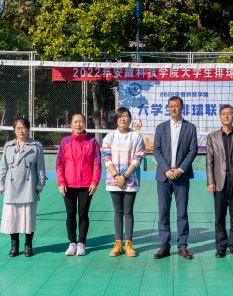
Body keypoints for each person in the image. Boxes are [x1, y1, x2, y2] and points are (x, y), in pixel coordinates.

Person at [153, 96, 198, 259]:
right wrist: (166, 169)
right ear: (168, 108)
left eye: (177, 106)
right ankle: (164, 245)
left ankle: (182, 246)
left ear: (182, 107)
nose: (174, 108)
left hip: (181, 177)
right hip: (164, 177)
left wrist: (180, 169)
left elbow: (193, 150)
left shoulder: (190, 127)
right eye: (171, 106)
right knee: (163, 212)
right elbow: (156, 149)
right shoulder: (161, 127)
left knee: (182, 212)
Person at [0, 117, 46, 257]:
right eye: (18, 128)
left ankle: (28, 245)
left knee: (28, 218)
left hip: (28, 187)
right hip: (11, 188)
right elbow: (3, 167)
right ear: (14, 130)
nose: (21, 130)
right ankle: (14, 245)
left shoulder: (36, 146)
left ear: (28, 129)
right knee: (12, 217)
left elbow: (40, 167)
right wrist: (0, 183)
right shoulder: (8, 146)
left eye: (23, 128)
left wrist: (40, 183)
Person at [206, 104, 233, 258]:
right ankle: (221, 248)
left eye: (229, 113)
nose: (226, 116)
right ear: (220, 116)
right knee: (219, 217)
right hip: (219, 181)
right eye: (223, 113)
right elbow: (209, 161)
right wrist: (210, 181)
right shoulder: (212, 136)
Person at [101, 107, 146, 257]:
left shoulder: (136, 136)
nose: (123, 119)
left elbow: (138, 158)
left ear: (130, 119)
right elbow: (106, 157)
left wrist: (125, 176)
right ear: (116, 119)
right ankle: (118, 244)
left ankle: (129, 244)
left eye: (126, 116)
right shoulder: (109, 136)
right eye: (120, 116)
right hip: (114, 180)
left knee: (128, 212)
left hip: (130, 180)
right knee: (117, 212)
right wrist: (116, 176)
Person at [55, 113, 101, 257]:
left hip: (86, 185)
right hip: (68, 185)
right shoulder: (65, 142)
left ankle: (81, 243)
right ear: (71, 124)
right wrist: (61, 182)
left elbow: (97, 164)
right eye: (75, 121)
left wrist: (94, 182)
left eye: (81, 121)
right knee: (70, 215)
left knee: (83, 214)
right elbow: (59, 164)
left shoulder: (92, 142)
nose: (78, 124)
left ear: (84, 124)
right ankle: (72, 243)